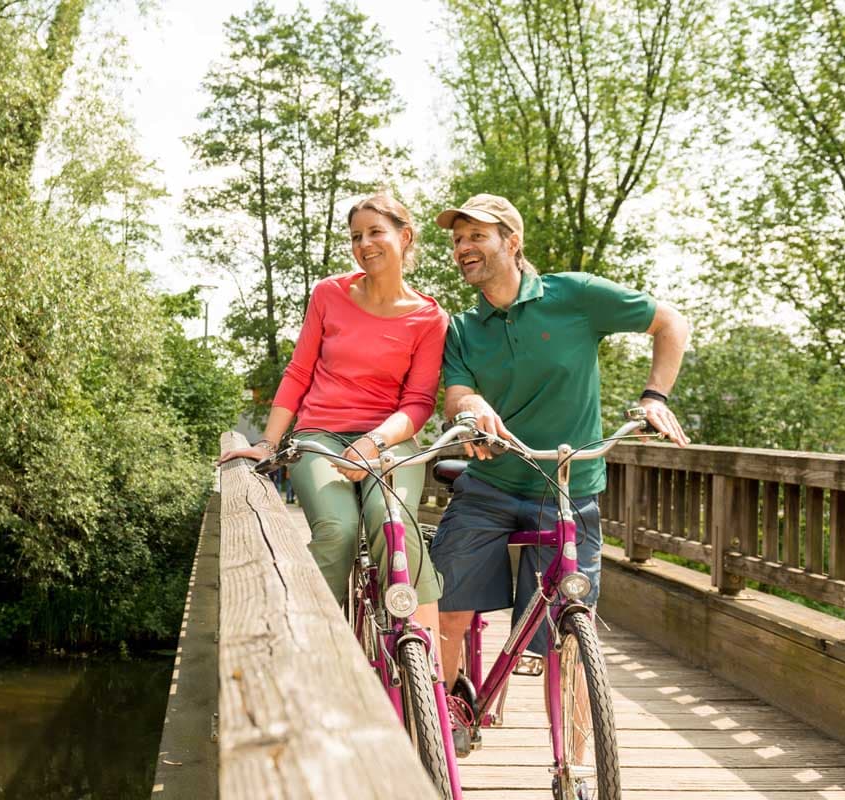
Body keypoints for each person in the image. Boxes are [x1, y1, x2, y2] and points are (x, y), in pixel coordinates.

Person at [428, 193, 690, 758]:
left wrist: (653, 396)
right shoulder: (464, 327)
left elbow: (669, 321)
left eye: (476, 236)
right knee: (448, 607)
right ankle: (448, 710)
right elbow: (455, 392)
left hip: (569, 490)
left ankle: (576, 768)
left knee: (571, 638)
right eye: (457, 239)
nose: (463, 249)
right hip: (491, 485)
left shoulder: (575, 295)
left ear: (512, 242)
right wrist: (473, 407)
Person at [218, 193, 448, 656]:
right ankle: (306, 656)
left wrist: (374, 440)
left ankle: (426, 673)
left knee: (392, 525)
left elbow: (419, 401)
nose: (364, 244)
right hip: (319, 436)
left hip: (390, 440)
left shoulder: (430, 317)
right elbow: (299, 372)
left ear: (405, 237)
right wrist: (268, 441)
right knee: (338, 530)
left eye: (375, 232)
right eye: (356, 236)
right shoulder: (329, 294)